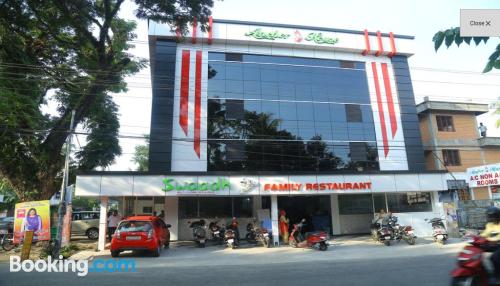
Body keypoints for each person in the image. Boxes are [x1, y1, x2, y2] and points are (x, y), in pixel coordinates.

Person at [480, 207, 500, 283]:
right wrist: (476, 237)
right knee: (476, 254)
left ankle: (497, 275)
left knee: (494, 257)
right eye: (489, 216)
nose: (490, 218)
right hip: (491, 244)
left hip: (498, 244)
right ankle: (482, 274)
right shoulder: (489, 224)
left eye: (491, 217)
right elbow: (485, 234)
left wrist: (496, 240)